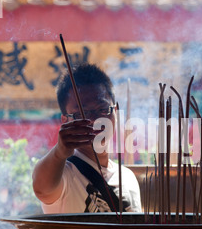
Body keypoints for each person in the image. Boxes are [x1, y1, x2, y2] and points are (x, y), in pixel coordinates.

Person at [32, 63, 142, 214]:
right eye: (82, 113)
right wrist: (58, 153)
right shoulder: (65, 174)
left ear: (115, 111)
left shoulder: (128, 178)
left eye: (103, 109)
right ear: (66, 120)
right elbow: (42, 190)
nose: (94, 120)